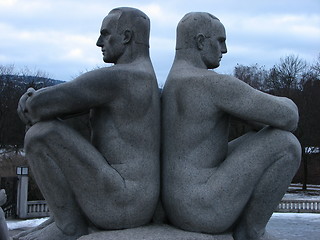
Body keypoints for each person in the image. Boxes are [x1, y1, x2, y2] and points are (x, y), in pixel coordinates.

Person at [16, 7, 160, 240]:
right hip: (131, 199)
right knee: (52, 127)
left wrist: (31, 96)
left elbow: (39, 106)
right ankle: (62, 216)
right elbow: (57, 106)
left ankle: (68, 226)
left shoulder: (125, 77)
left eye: (105, 33)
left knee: (41, 134)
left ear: (126, 36)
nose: (98, 42)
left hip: (123, 202)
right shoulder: (144, 76)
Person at [161, 12, 301, 240]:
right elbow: (288, 117)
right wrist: (288, 103)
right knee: (285, 144)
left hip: (177, 205)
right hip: (203, 208)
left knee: (259, 138)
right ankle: (251, 231)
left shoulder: (173, 82)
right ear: (200, 42)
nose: (224, 50)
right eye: (220, 41)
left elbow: (260, 123)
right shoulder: (210, 83)